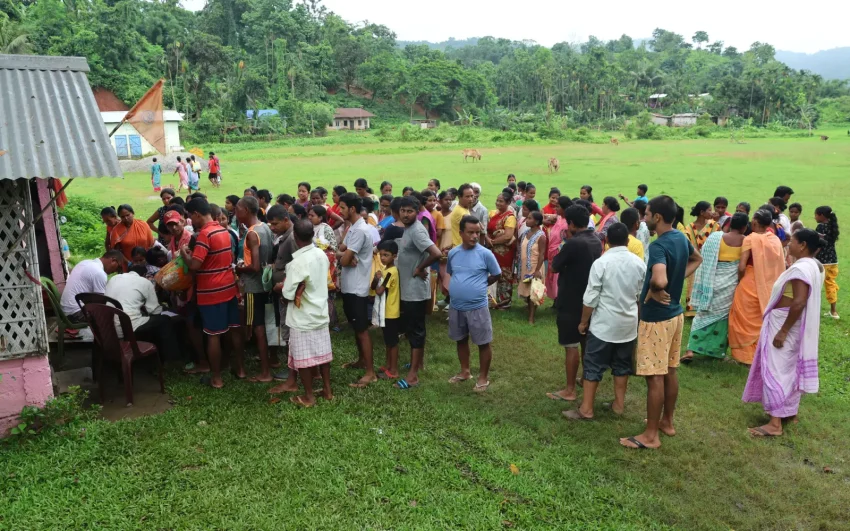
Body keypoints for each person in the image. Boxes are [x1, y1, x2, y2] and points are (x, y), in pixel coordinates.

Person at [620, 195, 702, 450]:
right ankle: (667, 422)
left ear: (657, 217)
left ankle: (651, 436)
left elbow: (660, 279)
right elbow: (696, 259)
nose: (643, 218)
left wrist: (655, 289)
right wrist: (676, 278)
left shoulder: (658, 246)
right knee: (670, 370)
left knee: (654, 376)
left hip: (656, 319)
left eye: (646, 214)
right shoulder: (680, 237)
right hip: (675, 315)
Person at [743, 229, 825, 437]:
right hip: (792, 323)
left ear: (803, 245)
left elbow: (799, 302)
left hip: (786, 323)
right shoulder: (814, 265)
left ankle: (774, 424)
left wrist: (783, 331)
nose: (789, 244)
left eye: (793, 241)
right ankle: (789, 413)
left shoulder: (802, 269)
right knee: (789, 368)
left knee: (776, 369)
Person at [564, 223, 646, 420]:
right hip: (628, 325)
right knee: (622, 365)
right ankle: (618, 405)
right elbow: (640, 296)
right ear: (627, 241)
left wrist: (583, 322)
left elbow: (591, 297)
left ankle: (586, 409)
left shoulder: (601, 263)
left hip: (604, 325)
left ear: (607, 240)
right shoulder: (639, 263)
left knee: (593, 364)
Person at [181, 198, 244, 389]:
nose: (191, 221)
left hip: (211, 291)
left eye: (190, 217)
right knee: (234, 329)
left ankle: (216, 378)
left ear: (196, 214)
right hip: (229, 287)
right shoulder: (224, 230)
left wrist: (184, 254)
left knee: (213, 335)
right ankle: (240, 369)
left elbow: (195, 265)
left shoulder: (204, 235)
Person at [546, 205, 602, 402]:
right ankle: (586, 379)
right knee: (586, 342)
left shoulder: (573, 243)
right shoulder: (596, 240)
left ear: (570, 223)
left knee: (571, 345)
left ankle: (569, 390)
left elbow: (554, 266)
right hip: (590, 300)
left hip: (571, 299)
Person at [280, 219, 333, 407]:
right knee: (323, 354)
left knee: (302, 358)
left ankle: (309, 396)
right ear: (313, 235)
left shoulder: (297, 263)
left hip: (302, 318)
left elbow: (287, 294)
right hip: (320, 312)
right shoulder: (321, 254)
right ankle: (327, 390)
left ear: (295, 236)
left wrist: (282, 287)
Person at [446, 215, 501, 392]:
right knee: (460, 339)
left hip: (477, 307)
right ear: (461, 233)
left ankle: (483, 377)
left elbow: (496, 274)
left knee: (483, 342)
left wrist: (481, 284)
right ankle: (465, 371)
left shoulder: (485, 254)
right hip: (456, 306)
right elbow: (452, 273)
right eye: (470, 232)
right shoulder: (453, 253)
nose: (475, 236)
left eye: (477, 232)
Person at [683, 213, 747, 361]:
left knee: (701, 315)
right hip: (729, 285)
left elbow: (704, 258)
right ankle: (717, 352)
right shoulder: (746, 241)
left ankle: (690, 350)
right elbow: (742, 266)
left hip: (711, 282)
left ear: (730, 224)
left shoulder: (715, 237)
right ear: (744, 227)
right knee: (723, 318)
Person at [394, 197, 442, 390]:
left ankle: (413, 376)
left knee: (415, 330)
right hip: (409, 287)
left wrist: (419, 268)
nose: (405, 214)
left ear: (417, 212)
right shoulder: (409, 228)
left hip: (415, 290)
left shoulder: (417, 230)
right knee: (414, 327)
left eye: (410, 211)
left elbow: (436, 253)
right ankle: (417, 363)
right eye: (403, 211)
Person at [728, 209, 785, 365]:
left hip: (749, 283)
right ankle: (758, 357)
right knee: (760, 319)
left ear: (755, 222)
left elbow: (741, 266)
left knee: (742, 320)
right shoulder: (775, 240)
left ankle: (744, 358)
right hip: (769, 285)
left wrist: (740, 280)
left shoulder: (750, 239)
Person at [337, 193, 377, 387]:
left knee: (362, 330)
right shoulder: (353, 227)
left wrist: (343, 256)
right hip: (349, 285)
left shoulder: (360, 230)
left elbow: (344, 259)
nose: (340, 211)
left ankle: (370, 372)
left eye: (343, 207)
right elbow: (341, 249)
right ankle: (361, 360)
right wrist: (343, 254)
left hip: (357, 287)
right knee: (356, 326)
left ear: (352, 209)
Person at [234, 196, 274, 383]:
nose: (235, 212)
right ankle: (271, 361)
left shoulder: (252, 233)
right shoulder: (264, 227)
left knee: (258, 327)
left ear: (247, 211)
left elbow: (255, 266)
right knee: (264, 324)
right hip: (265, 284)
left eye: (238, 209)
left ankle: (265, 371)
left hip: (253, 286)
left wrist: (239, 269)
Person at [104, 263, 177, 360]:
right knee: (164, 320)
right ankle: (171, 359)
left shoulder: (114, 278)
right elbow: (154, 311)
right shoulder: (145, 282)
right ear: (144, 275)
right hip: (127, 328)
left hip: (108, 327)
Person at [267, 206, 300, 390]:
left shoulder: (292, 238)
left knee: (290, 331)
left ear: (286, 220)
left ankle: (292, 371)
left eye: (275, 224)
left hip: (289, 294)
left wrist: (285, 287)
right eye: (270, 224)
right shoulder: (285, 236)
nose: (272, 227)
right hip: (285, 292)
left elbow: (298, 267)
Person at [60, 251, 124, 322]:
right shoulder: (99, 273)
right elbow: (100, 305)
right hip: (76, 314)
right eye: (118, 267)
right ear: (113, 260)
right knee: (114, 316)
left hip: (65, 311)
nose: (116, 271)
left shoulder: (85, 262)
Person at [684, 201, 719, 315]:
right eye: (709, 210)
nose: (712, 212)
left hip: (709, 261)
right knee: (693, 283)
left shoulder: (714, 225)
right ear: (702, 212)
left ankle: (705, 306)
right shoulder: (689, 228)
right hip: (694, 261)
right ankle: (692, 309)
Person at [373, 240, 401, 379]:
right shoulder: (385, 270)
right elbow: (374, 286)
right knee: (388, 340)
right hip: (386, 311)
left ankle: (394, 370)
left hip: (391, 312)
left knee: (392, 342)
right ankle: (388, 365)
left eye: (386, 255)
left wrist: (378, 279)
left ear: (394, 256)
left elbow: (379, 291)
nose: (383, 258)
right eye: (381, 255)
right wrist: (376, 278)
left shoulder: (391, 272)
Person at [309, 205, 339, 328]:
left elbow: (334, 247)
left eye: (312, 215)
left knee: (328, 294)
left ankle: (332, 322)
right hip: (314, 264)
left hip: (326, 266)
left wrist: (323, 246)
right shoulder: (310, 227)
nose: (309, 217)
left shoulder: (326, 228)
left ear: (320, 217)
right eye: (309, 215)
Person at [487, 191, 517, 309]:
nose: (498, 203)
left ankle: (505, 302)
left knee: (504, 275)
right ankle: (492, 299)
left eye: (501, 201)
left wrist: (493, 242)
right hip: (492, 250)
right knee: (492, 273)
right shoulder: (493, 213)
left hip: (504, 252)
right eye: (497, 200)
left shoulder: (510, 217)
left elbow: (508, 236)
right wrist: (488, 239)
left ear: (508, 203)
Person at [517, 211, 547, 324]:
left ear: (537, 222)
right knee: (526, 290)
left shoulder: (541, 236)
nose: (527, 220)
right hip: (525, 266)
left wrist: (537, 270)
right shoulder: (525, 233)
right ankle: (529, 310)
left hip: (535, 266)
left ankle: (531, 317)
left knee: (533, 291)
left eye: (530, 218)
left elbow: (542, 254)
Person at [815, 206, 840, 319]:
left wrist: (812, 255)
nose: (815, 217)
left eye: (816, 215)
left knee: (817, 284)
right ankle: (833, 310)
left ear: (821, 215)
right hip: (833, 260)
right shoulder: (832, 226)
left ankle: (832, 312)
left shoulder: (821, 226)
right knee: (831, 283)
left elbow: (819, 244)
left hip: (822, 261)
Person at [448, 183, 474, 249]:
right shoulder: (461, 212)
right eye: (467, 197)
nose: (471, 199)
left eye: (472, 196)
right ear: (459, 197)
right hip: (462, 249)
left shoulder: (463, 208)